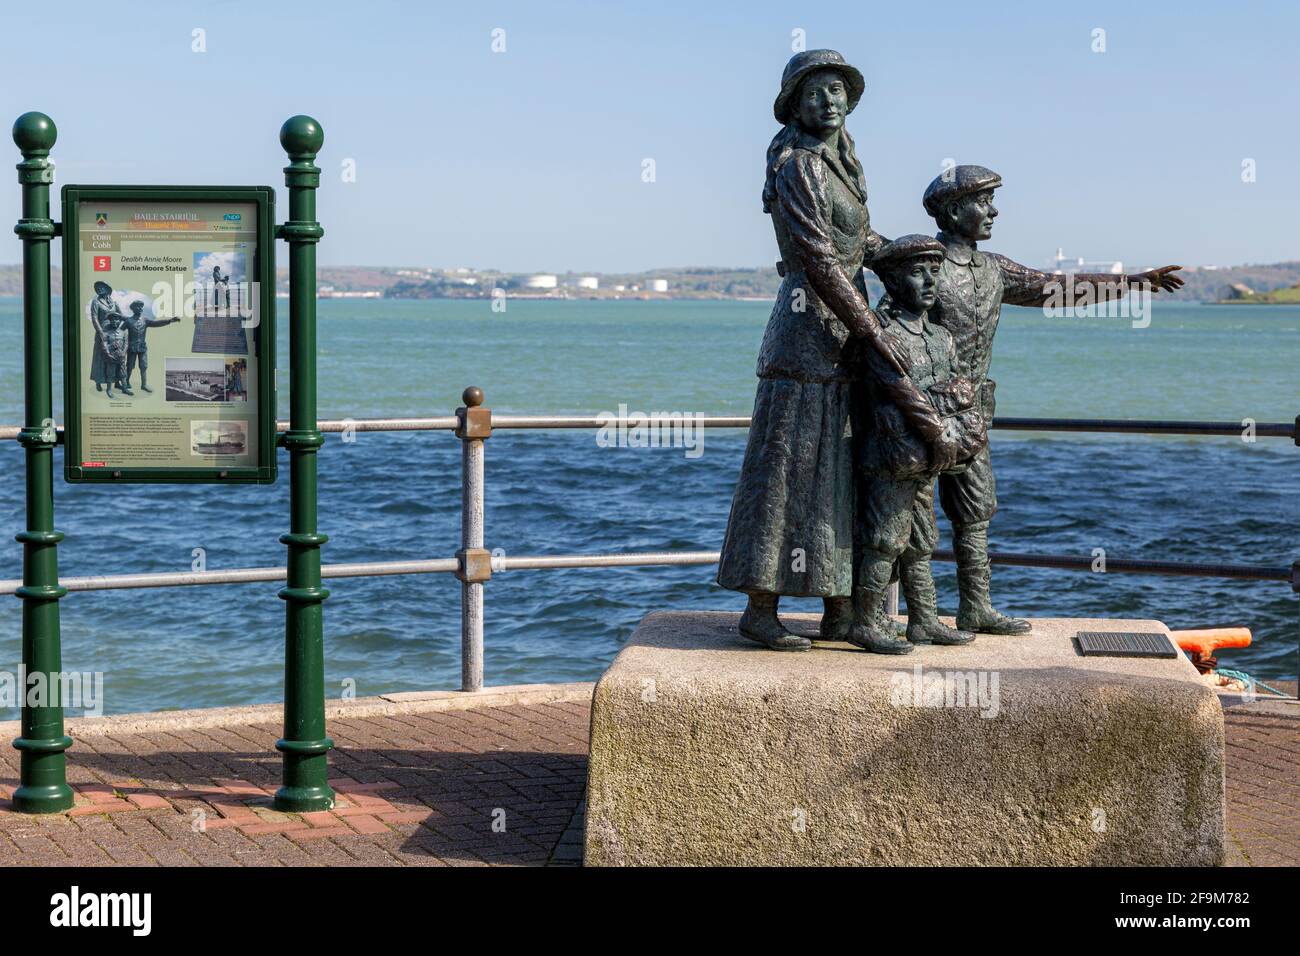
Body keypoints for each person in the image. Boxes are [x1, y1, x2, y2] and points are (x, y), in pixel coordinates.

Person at [716, 50, 962, 651]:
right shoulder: (799, 166)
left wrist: (914, 257)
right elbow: (820, 261)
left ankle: (843, 611)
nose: (830, 101)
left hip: (841, 336)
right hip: (806, 339)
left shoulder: (840, 166)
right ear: (795, 106)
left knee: (840, 475)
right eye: (816, 93)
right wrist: (874, 329)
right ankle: (761, 607)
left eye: (837, 91)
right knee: (788, 473)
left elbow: (858, 242)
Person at [906, 165, 1184, 634]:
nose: (994, 211)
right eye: (984, 201)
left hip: (971, 412)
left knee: (975, 510)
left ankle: (975, 607)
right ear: (953, 210)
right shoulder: (924, 263)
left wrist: (1134, 282)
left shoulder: (993, 269)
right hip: (919, 410)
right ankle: (922, 617)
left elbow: (1056, 288)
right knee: (913, 514)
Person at [854, 235, 987, 651]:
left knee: (922, 540)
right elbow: (896, 392)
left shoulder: (942, 337)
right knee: (884, 540)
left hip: (929, 456)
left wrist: (939, 403)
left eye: (935, 271)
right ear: (893, 281)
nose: (929, 282)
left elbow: (961, 388)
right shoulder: (884, 337)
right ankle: (864, 622)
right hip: (893, 457)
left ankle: (924, 620)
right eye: (917, 272)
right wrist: (940, 401)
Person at [122, 300, 181, 393]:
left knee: (144, 366)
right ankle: (126, 382)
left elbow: (156, 323)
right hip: (131, 348)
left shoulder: (144, 320)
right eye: (138, 307)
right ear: (133, 309)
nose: (140, 308)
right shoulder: (128, 321)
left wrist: (169, 320)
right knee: (129, 366)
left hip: (142, 348)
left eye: (141, 307)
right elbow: (120, 331)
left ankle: (144, 385)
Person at [88, 281, 125, 393]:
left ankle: (117, 381)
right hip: (103, 332)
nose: (99, 289)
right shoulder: (96, 302)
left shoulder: (114, 303)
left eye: (101, 287)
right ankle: (98, 381)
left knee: (116, 353)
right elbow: (94, 318)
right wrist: (100, 332)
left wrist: (130, 321)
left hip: (114, 331)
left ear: (107, 288)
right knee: (100, 357)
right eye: (97, 287)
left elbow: (121, 316)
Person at [99, 314, 130, 399]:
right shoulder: (106, 333)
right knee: (110, 373)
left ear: (120, 321)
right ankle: (109, 390)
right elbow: (104, 344)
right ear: (110, 321)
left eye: (116, 320)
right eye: (112, 320)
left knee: (123, 373)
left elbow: (126, 344)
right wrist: (108, 353)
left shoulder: (124, 332)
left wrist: (123, 353)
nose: (114, 321)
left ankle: (125, 388)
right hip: (111, 357)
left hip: (121, 357)